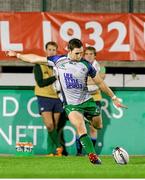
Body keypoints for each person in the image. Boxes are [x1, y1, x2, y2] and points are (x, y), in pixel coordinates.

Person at [6, 38, 127, 165]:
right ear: (69, 50)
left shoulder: (86, 65)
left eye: (81, 53)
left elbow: (100, 82)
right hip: (71, 105)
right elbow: (35, 59)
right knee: (80, 126)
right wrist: (18, 55)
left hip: (87, 101)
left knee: (98, 126)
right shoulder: (58, 60)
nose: (80, 56)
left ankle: (87, 119)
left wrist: (113, 98)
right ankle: (93, 156)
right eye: (77, 53)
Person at [34, 41, 63, 156]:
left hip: (57, 97)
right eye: (49, 49)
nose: (51, 51)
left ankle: (51, 152)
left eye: (54, 50)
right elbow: (40, 83)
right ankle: (59, 146)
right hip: (44, 96)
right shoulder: (39, 64)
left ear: (56, 51)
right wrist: (55, 77)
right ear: (46, 51)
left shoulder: (59, 65)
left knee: (55, 126)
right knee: (49, 125)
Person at [76, 46, 106, 155]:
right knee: (79, 125)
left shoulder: (101, 67)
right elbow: (78, 81)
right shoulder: (78, 65)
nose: (89, 56)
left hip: (95, 99)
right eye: (87, 53)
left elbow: (100, 80)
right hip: (81, 99)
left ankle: (91, 153)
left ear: (95, 55)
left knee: (93, 127)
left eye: (91, 54)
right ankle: (79, 152)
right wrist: (93, 80)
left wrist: (87, 81)